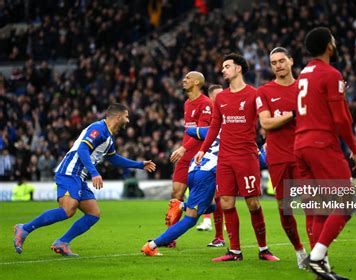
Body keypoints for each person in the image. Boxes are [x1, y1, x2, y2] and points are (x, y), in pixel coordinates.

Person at [13, 103, 156, 256]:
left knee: (93, 214)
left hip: (79, 177)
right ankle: (25, 228)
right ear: (118, 116)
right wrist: (94, 173)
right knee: (68, 210)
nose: (128, 120)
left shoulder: (108, 137)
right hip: (70, 171)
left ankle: (62, 242)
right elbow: (82, 148)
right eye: (126, 117)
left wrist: (140, 165)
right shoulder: (98, 129)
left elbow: (113, 158)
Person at [195, 53, 279, 262]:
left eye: (227, 66)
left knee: (253, 203)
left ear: (239, 68)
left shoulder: (254, 94)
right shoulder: (221, 97)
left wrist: (270, 140)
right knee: (226, 202)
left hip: (247, 157)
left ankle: (264, 249)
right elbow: (215, 125)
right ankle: (234, 252)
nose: (223, 70)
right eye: (223, 67)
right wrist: (202, 150)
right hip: (225, 158)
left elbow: (265, 120)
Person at [295, 27, 356, 280]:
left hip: (300, 145)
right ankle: (317, 256)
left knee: (320, 209)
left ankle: (322, 265)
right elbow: (341, 120)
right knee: (346, 201)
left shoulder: (304, 74)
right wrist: (355, 150)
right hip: (321, 143)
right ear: (329, 46)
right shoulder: (331, 74)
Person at [256, 47, 307, 269]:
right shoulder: (264, 91)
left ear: (291, 61)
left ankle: (318, 252)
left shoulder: (305, 88)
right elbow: (265, 123)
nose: (278, 65)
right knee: (285, 208)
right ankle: (300, 251)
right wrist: (293, 114)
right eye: (274, 62)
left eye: (282, 61)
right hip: (278, 158)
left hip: (303, 154)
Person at [141, 128, 220, 256]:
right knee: (190, 220)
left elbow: (190, 131)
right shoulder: (234, 135)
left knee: (211, 206)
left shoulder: (213, 130)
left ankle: (181, 205)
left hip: (194, 169)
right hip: (206, 174)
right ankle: (151, 246)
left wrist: (201, 131)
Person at [166, 71, 213, 247]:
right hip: (185, 157)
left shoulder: (206, 104)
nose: (183, 80)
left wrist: (184, 147)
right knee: (175, 195)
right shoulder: (187, 103)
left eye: (187, 78)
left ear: (197, 82)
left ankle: (216, 230)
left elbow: (203, 132)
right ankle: (170, 237)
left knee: (206, 202)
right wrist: (184, 148)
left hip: (200, 157)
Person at [195, 84, 227, 248]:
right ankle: (219, 234)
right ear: (212, 98)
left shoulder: (228, 112)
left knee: (220, 196)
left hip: (227, 158)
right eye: (218, 96)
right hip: (211, 160)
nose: (223, 97)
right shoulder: (211, 116)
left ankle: (220, 235)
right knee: (215, 196)